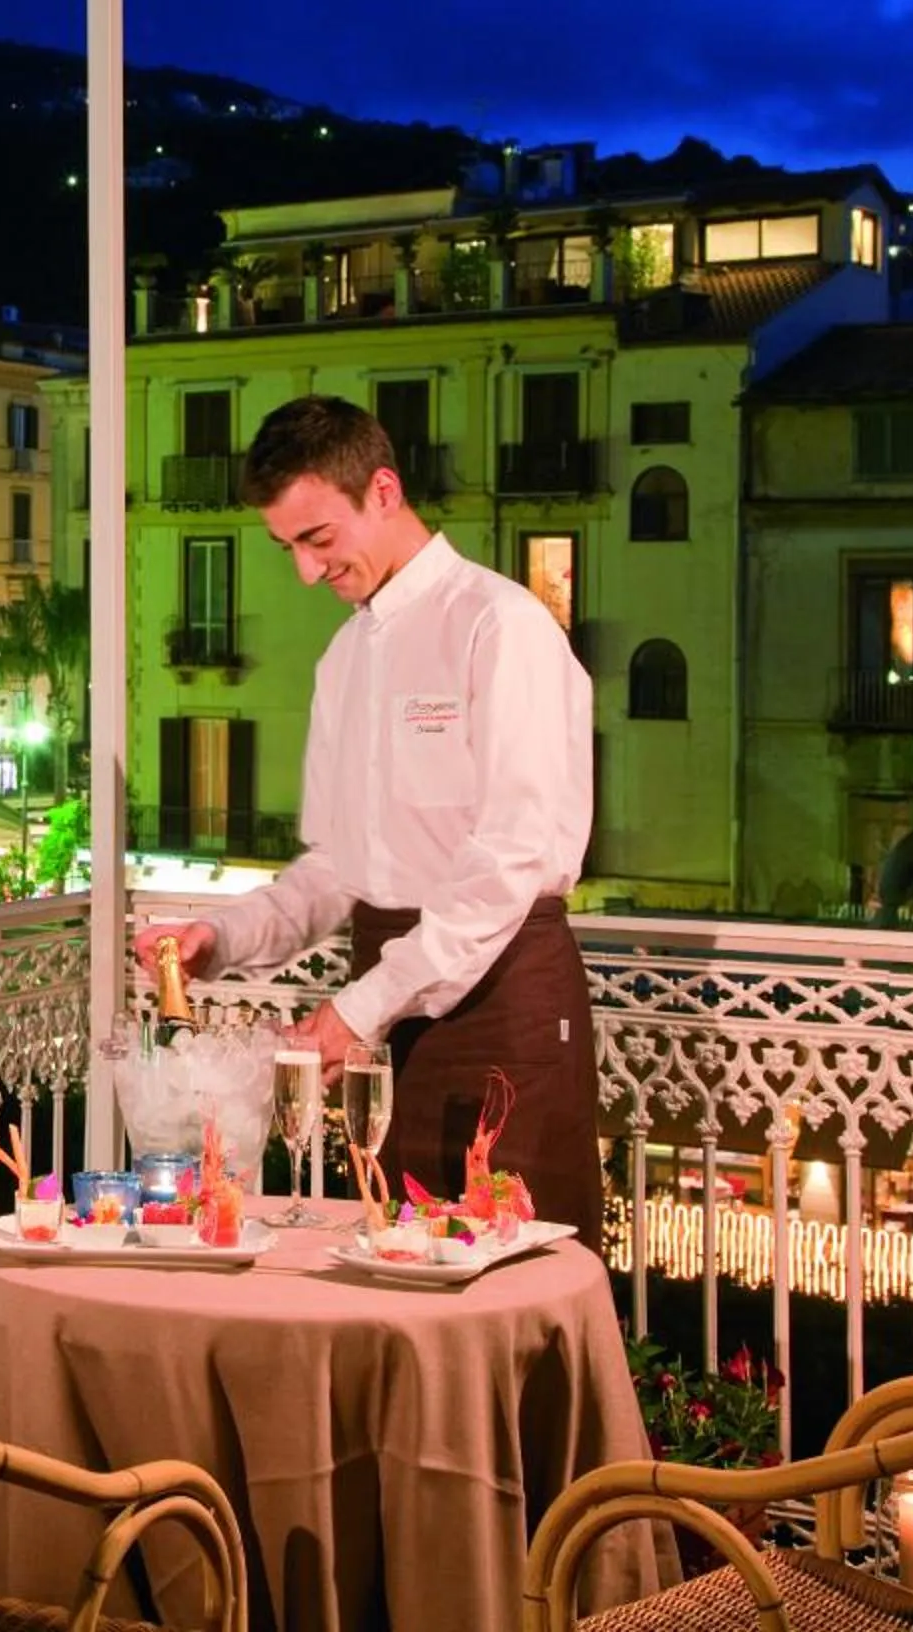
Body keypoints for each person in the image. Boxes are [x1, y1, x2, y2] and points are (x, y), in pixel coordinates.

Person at [131, 395, 605, 1256]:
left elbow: (509, 861)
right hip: (385, 1014)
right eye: (288, 551)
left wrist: (360, 1010)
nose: (308, 573)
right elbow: (337, 867)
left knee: (506, 1283)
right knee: (391, 1267)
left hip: (506, 1003)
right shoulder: (344, 659)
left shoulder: (502, 626)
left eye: (318, 539)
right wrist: (222, 935)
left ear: (383, 490)